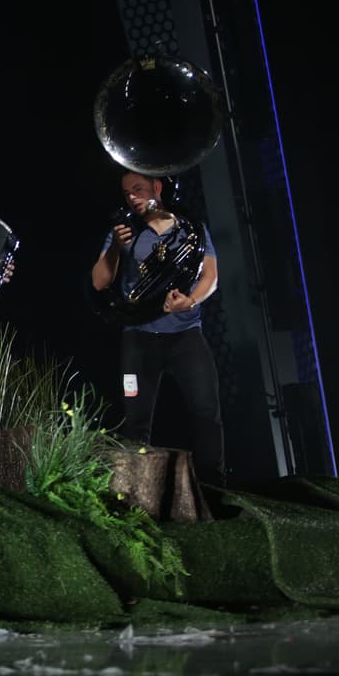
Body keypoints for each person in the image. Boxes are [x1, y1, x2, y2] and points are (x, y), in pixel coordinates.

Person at [90, 170, 224, 485]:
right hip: (138, 340)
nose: (132, 198)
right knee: (135, 421)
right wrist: (115, 250)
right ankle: (139, 490)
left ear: (158, 187)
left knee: (207, 413)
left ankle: (214, 486)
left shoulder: (191, 229)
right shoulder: (123, 232)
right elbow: (99, 281)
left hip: (186, 336)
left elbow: (211, 278)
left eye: (138, 189)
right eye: (126, 193)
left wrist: (190, 300)